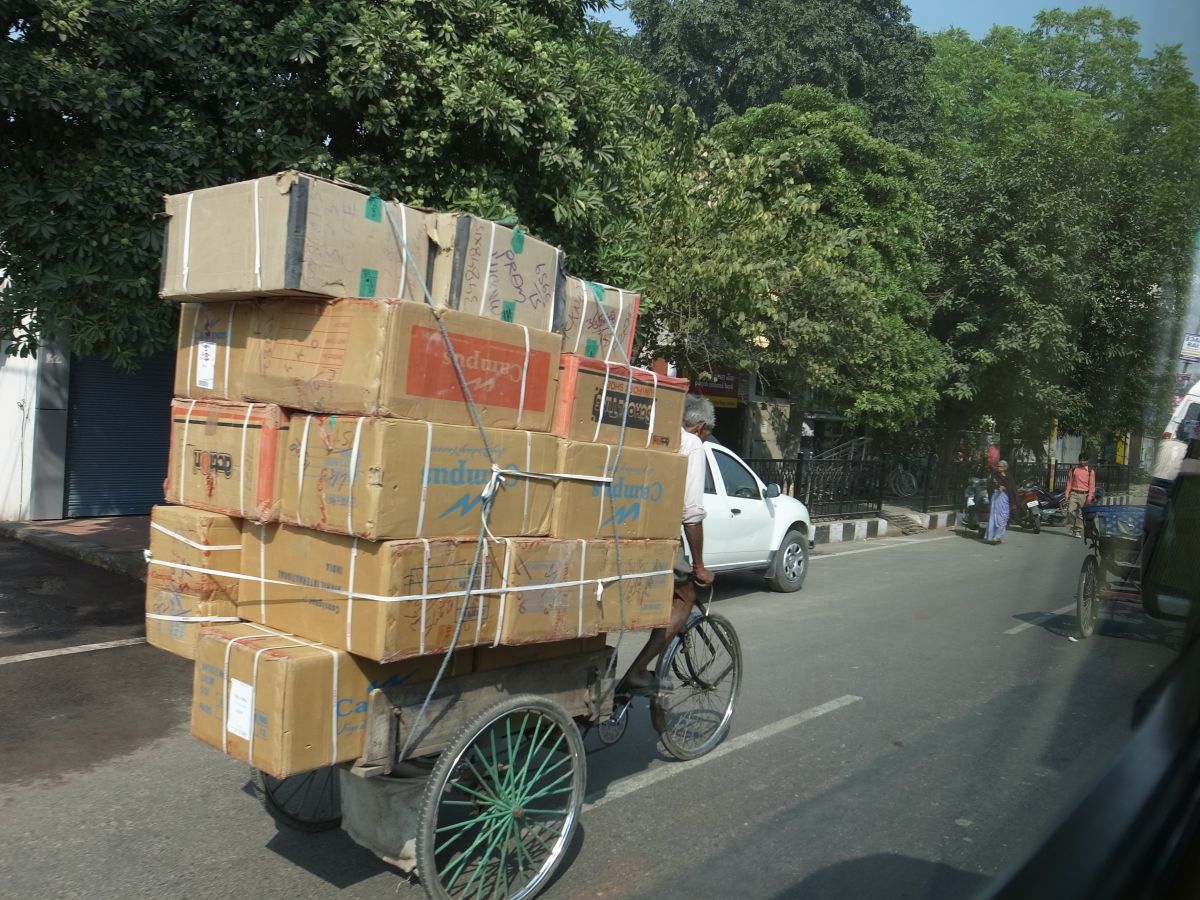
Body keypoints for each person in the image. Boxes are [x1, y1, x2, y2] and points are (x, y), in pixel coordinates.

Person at [617, 394, 715, 693]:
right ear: (699, 426)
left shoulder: (654, 436)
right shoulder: (692, 444)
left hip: (623, 526)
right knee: (685, 597)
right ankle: (636, 671)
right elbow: (691, 513)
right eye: (708, 433)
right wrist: (699, 566)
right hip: (660, 536)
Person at [1064, 452, 1096, 538]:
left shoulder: (1090, 471)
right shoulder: (1074, 470)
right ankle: (1071, 526)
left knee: (1080, 514)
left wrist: (1089, 497)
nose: (1082, 462)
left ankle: (1077, 531)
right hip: (1074, 493)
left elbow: (1092, 486)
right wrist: (1067, 493)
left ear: (1087, 460)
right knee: (1070, 511)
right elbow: (1069, 483)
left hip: (1084, 495)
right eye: (1081, 460)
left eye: (1084, 460)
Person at [985, 460, 1013, 544]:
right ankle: (995, 536)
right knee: (996, 517)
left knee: (1004, 517)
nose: (998, 468)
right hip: (997, 498)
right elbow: (990, 485)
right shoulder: (994, 475)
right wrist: (998, 486)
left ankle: (1000, 536)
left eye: (1000, 466)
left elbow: (1012, 489)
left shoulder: (1009, 476)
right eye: (998, 466)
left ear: (1005, 468)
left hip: (1005, 499)